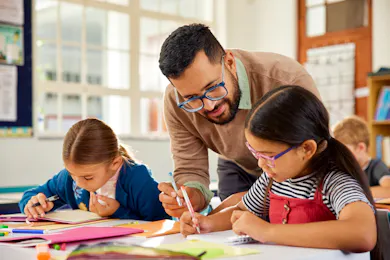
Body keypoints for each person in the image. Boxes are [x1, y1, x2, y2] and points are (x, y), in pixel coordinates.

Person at [180, 85, 379, 255]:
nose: (260, 164)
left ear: (306, 149)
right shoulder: (272, 179)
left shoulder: (333, 182)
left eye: (268, 156)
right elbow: (242, 211)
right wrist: (209, 223)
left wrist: (267, 231)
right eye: (255, 153)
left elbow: (363, 234)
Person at [158, 23, 320, 217]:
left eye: (213, 87)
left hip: (295, 171)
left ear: (230, 62)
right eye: (192, 98)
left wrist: (246, 203)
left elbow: (311, 159)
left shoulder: (287, 80)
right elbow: (190, 168)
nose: (209, 105)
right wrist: (190, 197)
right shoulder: (176, 102)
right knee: (233, 235)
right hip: (236, 163)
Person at [19, 118, 169, 221]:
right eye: (72, 174)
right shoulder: (69, 179)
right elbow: (29, 196)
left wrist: (118, 212)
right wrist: (32, 204)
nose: (79, 183)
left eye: (88, 178)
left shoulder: (138, 180)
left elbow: (162, 223)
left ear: (115, 163)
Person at [333, 116, 390, 198]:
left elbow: (388, 190)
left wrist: (355, 193)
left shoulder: (376, 166)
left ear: (361, 148)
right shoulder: (345, 169)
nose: (339, 156)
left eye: (343, 151)